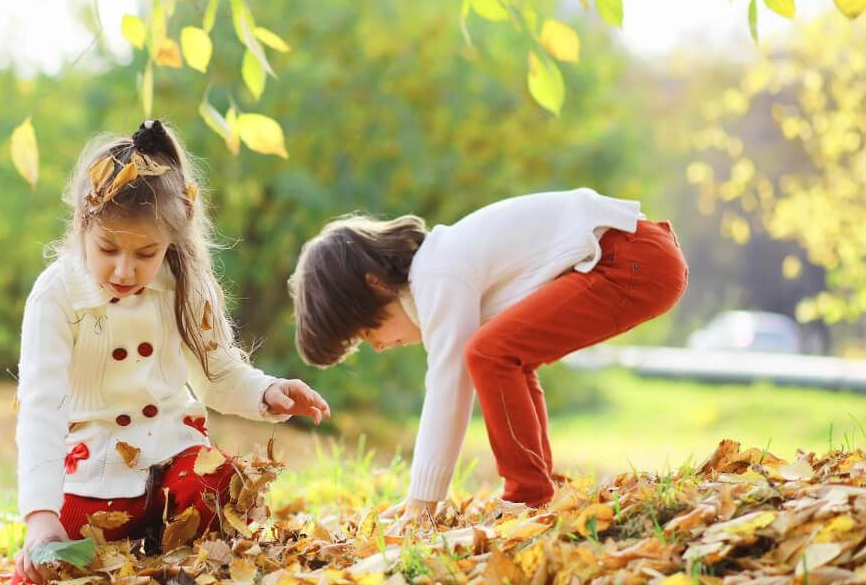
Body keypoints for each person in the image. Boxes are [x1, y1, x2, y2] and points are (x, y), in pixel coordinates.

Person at [13, 120, 330, 585]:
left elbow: (217, 372)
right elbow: (42, 409)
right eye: (108, 248)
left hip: (170, 458)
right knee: (58, 561)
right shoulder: (57, 295)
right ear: (82, 224)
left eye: (146, 253)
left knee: (223, 483)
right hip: (97, 472)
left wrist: (267, 392)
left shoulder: (185, 286)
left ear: (170, 242)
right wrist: (41, 516)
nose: (125, 268)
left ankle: (174, 565)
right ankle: (83, 562)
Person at [289, 188, 688, 522]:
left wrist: (422, 504)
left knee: (486, 353)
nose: (377, 346)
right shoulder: (444, 267)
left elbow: (449, 387)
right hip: (639, 254)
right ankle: (537, 489)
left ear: (375, 286)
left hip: (631, 259)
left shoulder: (436, 275)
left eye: (367, 331)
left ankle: (526, 496)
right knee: (505, 353)